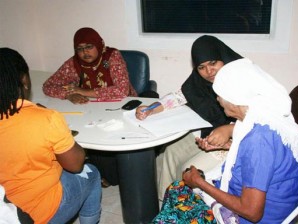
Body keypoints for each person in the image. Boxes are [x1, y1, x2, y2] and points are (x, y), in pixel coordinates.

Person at [152, 57, 298, 223]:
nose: (217, 100)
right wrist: (229, 146)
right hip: (258, 199)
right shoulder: (262, 117)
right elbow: (264, 160)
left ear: (234, 98)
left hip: (256, 216)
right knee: (176, 188)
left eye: (220, 95)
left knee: (180, 195)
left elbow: (252, 212)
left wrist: (200, 183)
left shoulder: (259, 140)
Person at [0, 48, 102, 224]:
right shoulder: (46, 118)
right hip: (33, 214)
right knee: (91, 173)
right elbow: (76, 165)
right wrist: (57, 128)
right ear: (24, 80)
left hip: (6, 203)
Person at [136, 35, 240, 199]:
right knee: (170, 152)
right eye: (201, 67)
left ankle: (183, 209)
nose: (208, 71)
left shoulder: (244, 79)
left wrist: (231, 129)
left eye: (213, 63)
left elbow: (263, 118)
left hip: (236, 144)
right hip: (207, 133)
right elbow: (178, 97)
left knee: (186, 170)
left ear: (223, 58)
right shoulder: (199, 81)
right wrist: (151, 108)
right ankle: (166, 205)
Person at [43, 27, 137, 187]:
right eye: (79, 49)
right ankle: (102, 169)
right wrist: (68, 94)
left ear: (99, 45)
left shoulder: (112, 56)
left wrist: (83, 91)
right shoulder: (74, 63)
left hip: (122, 107)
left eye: (89, 47)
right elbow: (48, 86)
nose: (85, 52)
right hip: (93, 111)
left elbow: (122, 90)